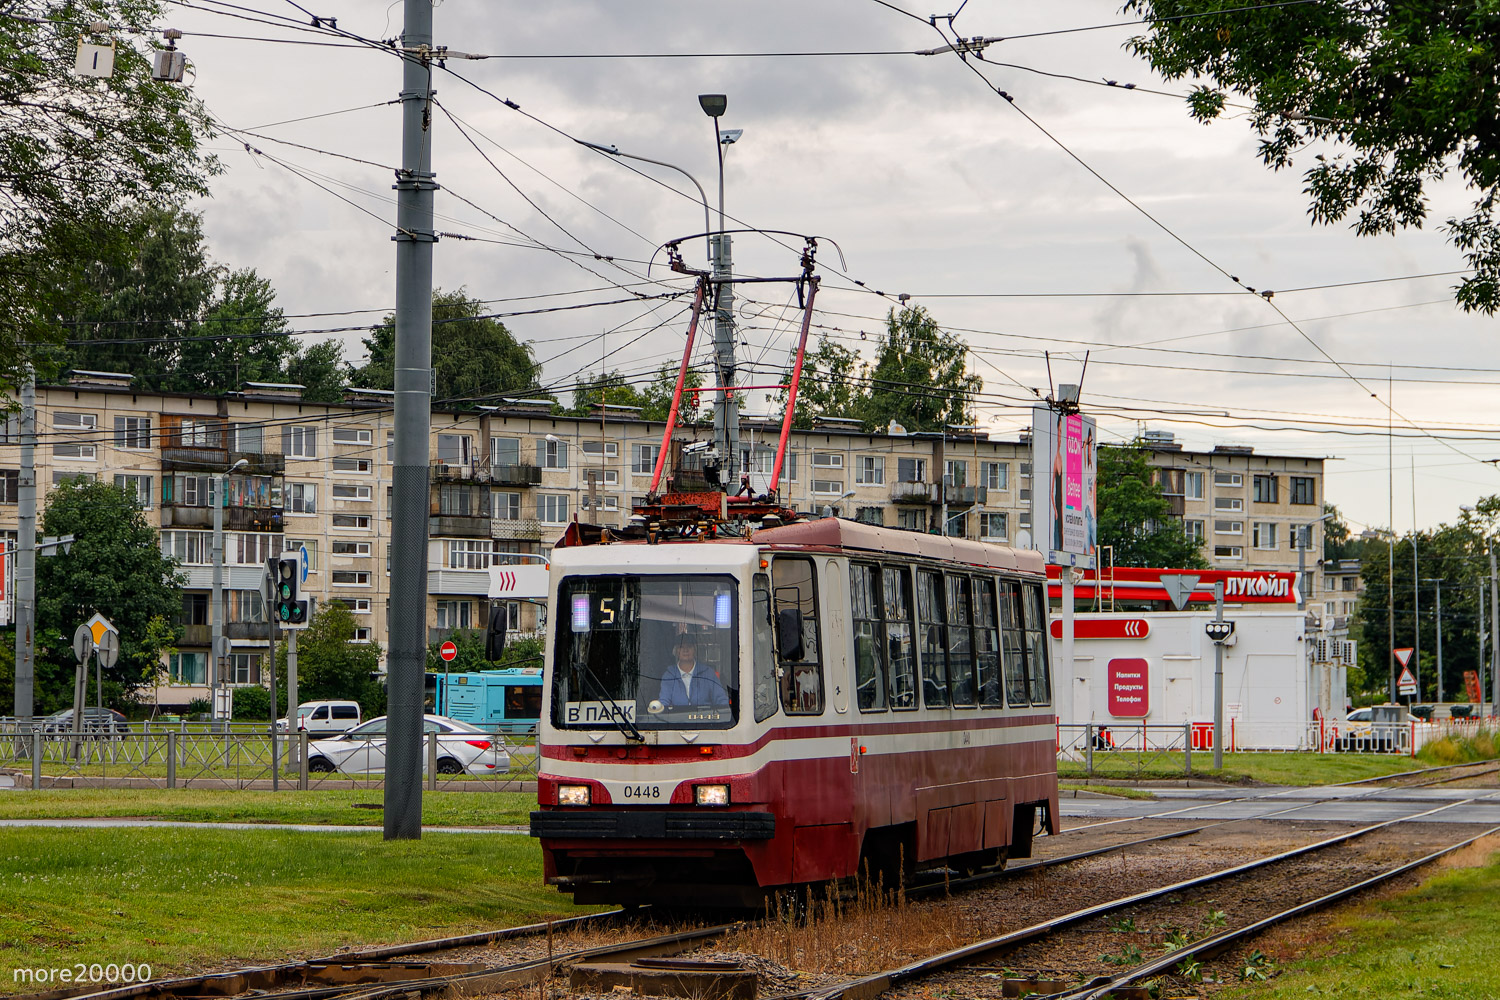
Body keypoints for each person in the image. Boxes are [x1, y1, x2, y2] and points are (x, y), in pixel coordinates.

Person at [657, 632, 730, 709]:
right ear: (675, 651)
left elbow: (721, 699)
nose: (685, 650)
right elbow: (664, 701)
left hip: (705, 716)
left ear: (695, 650)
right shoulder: (669, 675)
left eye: (689, 646)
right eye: (681, 647)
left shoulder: (708, 673)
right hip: (678, 716)